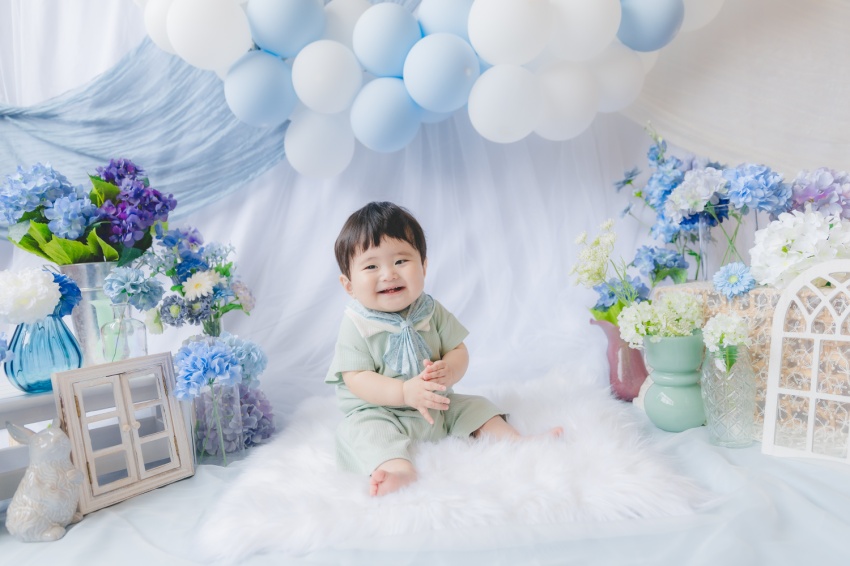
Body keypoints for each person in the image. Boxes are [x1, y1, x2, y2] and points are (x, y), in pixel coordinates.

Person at [326, 201, 562, 496]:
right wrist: (403, 393)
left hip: (436, 405)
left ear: (424, 267)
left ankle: (516, 442)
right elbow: (356, 377)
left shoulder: (430, 310)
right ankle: (399, 470)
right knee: (367, 433)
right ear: (348, 285)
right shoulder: (357, 323)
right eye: (372, 266)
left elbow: (457, 349)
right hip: (381, 411)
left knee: (476, 407)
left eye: (400, 261)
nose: (388, 274)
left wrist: (450, 370)